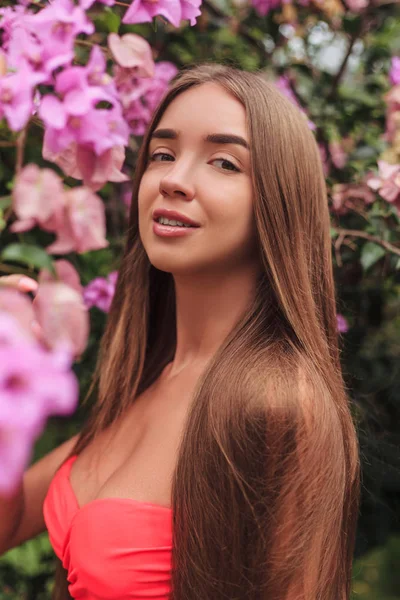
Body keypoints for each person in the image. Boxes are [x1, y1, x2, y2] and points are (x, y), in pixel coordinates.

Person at [0, 63, 361, 600]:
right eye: (163, 154)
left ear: (278, 203)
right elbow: (13, 519)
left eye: (223, 162)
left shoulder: (279, 402)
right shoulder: (146, 376)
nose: (173, 178)